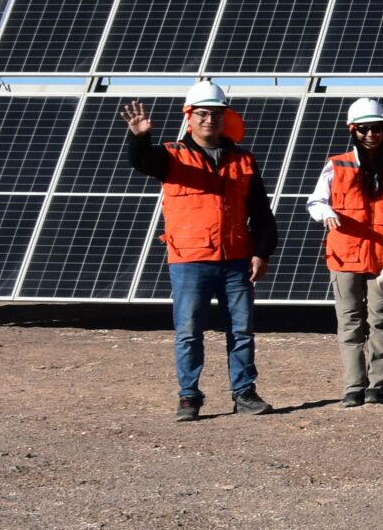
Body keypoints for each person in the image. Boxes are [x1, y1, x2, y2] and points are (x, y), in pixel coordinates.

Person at [118, 80, 278, 420]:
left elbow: (261, 212)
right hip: (189, 261)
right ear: (189, 117)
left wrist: (262, 252)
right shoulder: (171, 156)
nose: (209, 120)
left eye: (216, 113)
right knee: (189, 332)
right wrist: (139, 136)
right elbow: (142, 161)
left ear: (225, 117)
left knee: (242, 330)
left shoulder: (243, 160)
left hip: (236, 259)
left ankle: (244, 392)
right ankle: (189, 396)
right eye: (202, 113)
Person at [305, 96, 383, 407]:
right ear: (354, 131)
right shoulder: (337, 165)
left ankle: (377, 385)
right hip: (344, 257)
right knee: (350, 323)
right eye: (363, 130)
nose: (370, 135)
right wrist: (325, 213)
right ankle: (353, 386)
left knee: (380, 322)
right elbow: (315, 201)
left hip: (381, 260)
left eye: (376, 129)